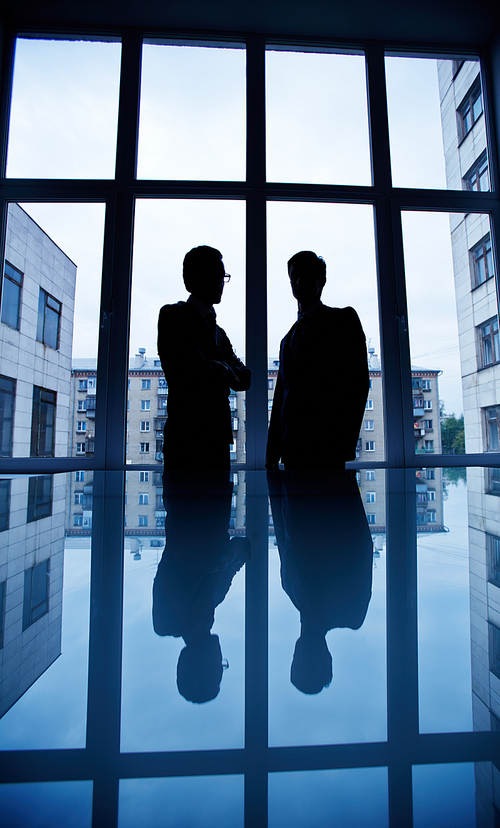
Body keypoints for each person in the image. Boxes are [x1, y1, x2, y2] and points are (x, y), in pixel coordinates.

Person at [266, 250, 369, 470]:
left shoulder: (342, 320)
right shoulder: (287, 340)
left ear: (322, 280)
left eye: (307, 274)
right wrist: (272, 454)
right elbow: (280, 400)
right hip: (291, 452)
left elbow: (358, 384)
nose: (299, 281)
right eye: (294, 276)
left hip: (328, 449)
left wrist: (343, 444)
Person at [157, 246, 251, 470]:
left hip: (217, 443)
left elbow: (246, 378)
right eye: (214, 275)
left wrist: (223, 370)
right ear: (190, 278)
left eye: (223, 276)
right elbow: (191, 374)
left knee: (216, 503)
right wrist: (226, 371)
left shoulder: (219, 333)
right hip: (186, 442)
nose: (220, 282)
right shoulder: (173, 316)